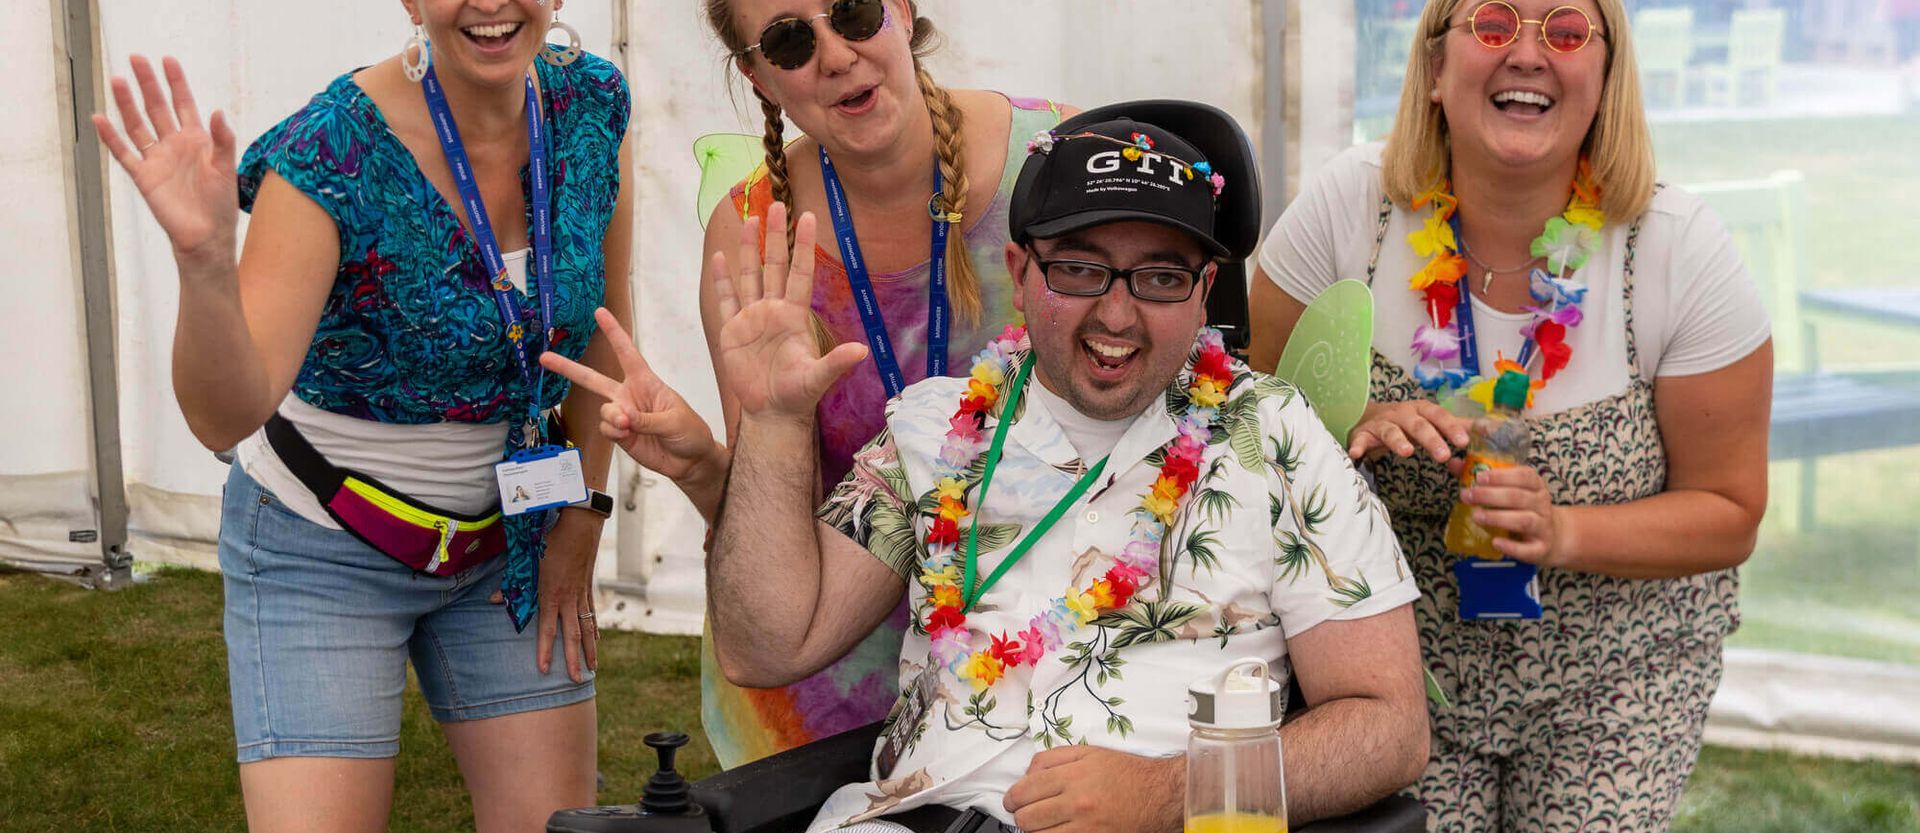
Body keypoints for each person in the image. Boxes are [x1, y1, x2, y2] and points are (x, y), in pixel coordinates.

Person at [550, 103, 1429, 832]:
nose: (1117, 314)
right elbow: (765, 645)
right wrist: (777, 423)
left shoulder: (1275, 438)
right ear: (1020, 269)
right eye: (1081, 269)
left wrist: (1167, 794)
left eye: (1161, 278)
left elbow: (1390, 728)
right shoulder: (939, 427)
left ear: (1206, 289)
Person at [90, 0, 632, 829]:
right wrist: (204, 268)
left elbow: (604, 341)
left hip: (506, 543)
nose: (490, 4)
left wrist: (584, 519)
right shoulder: (329, 152)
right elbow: (221, 417)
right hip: (324, 547)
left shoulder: (591, 105)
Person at [1246, 1, 1771, 829]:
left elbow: (1730, 513)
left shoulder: (1677, 245)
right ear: (1432, 70)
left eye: (1565, 31)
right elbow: (1246, 426)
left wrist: (1560, 533)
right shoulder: (1352, 210)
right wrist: (1353, 424)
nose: (1528, 53)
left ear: (1605, 78)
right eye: (1494, 23)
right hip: (1390, 666)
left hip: (1616, 674)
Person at [660, 0, 1081, 767]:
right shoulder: (754, 233)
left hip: (1046, 658)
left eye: (851, 12)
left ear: (903, 10)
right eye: (790, 42)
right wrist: (702, 468)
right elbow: (767, 511)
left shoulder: (1060, 160)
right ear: (759, 75)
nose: (833, 52)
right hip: (828, 689)